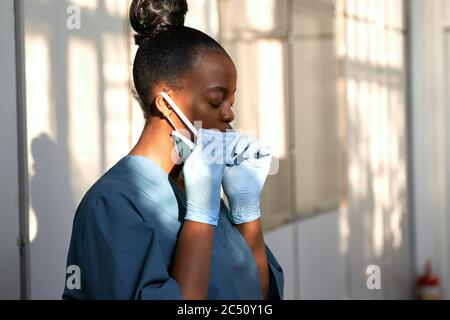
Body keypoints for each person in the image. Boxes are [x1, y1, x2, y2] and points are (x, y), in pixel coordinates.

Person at [63, 0, 284, 300]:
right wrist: (200, 216)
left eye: (232, 101)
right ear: (166, 104)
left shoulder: (201, 190)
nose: (230, 115)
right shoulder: (112, 206)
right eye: (216, 100)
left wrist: (246, 212)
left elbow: (259, 294)